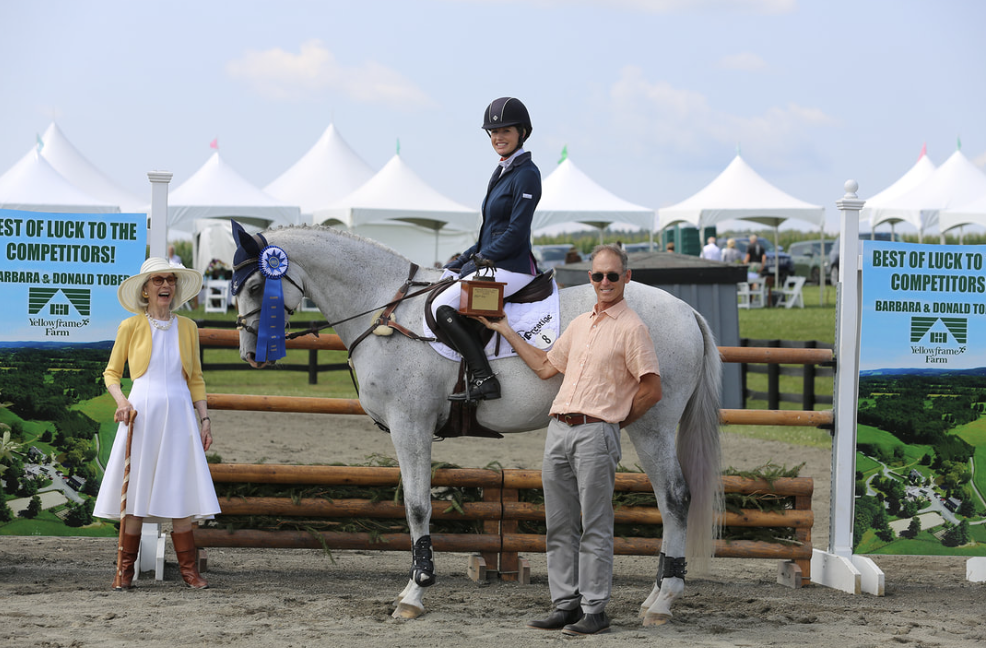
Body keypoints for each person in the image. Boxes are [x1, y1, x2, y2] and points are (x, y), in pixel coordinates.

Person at [479, 244, 662, 636]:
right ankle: (565, 604)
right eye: (598, 276)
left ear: (626, 278)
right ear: (590, 279)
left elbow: (652, 388)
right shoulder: (579, 324)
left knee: (595, 524)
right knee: (559, 524)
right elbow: (546, 366)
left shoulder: (633, 328)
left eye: (613, 275)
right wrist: (505, 329)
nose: (605, 282)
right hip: (559, 430)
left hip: (596, 432)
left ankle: (595, 609)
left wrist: (614, 422)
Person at [94, 257, 221, 590]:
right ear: (146, 289)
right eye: (158, 280)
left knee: (178, 487)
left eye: (170, 279)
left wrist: (204, 419)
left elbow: (195, 379)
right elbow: (110, 374)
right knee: (135, 491)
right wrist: (123, 402)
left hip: (179, 415)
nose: (166, 285)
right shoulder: (130, 326)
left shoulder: (189, 328)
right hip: (143, 414)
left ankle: (189, 571)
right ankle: (124, 571)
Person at [432, 96, 542, 402]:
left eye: (505, 130)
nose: (498, 136)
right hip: (494, 261)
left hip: (514, 266)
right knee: (439, 283)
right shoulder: (502, 171)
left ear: (522, 132)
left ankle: (484, 377)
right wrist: (464, 258)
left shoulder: (527, 174)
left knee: (442, 307)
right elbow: (489, 232)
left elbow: (516, 232)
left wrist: (483, 259)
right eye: (493, 131)